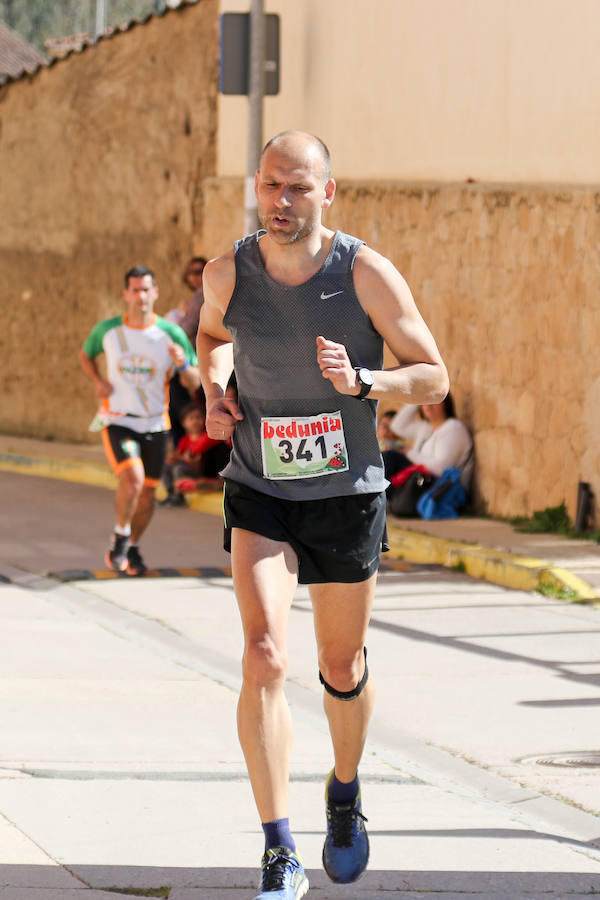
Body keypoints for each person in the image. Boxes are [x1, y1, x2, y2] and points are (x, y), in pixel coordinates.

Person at [196, 130, 449, 899]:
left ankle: (344, 791)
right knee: (264, 653)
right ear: (257, 187)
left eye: (299, 187)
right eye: (272, 185)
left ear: (327, 193)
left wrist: (365, 380)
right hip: (260, 483)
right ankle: (278, 847)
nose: (282, 201)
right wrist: (215, 388)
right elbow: (210, 336)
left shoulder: (364, 272)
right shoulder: (226, 272)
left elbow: (434, 377)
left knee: (340, 665)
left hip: (347, 494)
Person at [79, 265, 200, 575]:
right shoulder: (107, 331)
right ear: (126, 294)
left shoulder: (170, 334)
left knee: (147, 493)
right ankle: (120, 535)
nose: (141, 296)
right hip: (118, 419)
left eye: (146, 290)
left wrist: (182, 363)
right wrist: (96, 381)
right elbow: (85, 354)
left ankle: (131, 546)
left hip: (155, 424)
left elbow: (193, 380)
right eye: (135, 290)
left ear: (155, 293)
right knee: (132, 479)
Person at [383, 393, 474, 491]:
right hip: (421, 482)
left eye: (434, 400)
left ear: (445, 403)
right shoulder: (425, 428)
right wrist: (419, 396)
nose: (429, 404)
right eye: (426, 401)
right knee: (386, 459)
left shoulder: (454, 428)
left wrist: (408, 452)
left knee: (391, 458)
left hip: (440, 492)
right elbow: (397, 426)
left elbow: (440, 470)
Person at [166, 256, 208, 447]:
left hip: (199, 366)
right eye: (191, 272)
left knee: (185, 416)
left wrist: (180, 318)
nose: (195, 276)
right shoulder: (198, 297)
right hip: (196, 365)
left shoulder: (202, 296)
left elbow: (186, 329)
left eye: (199, 271)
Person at [159, 401, 224, 506]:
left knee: (178, 469)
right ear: (184, 423)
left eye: (198, 417)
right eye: (191, 418)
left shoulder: (208, 436)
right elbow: (180, 456)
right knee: (166, 466)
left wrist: (182, 457)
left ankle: (179, 497)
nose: (195, 421)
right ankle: (171, 494)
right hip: (189, 470)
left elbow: (193, 452)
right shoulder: (184, 440)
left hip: (201, 471)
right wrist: (179, 458)